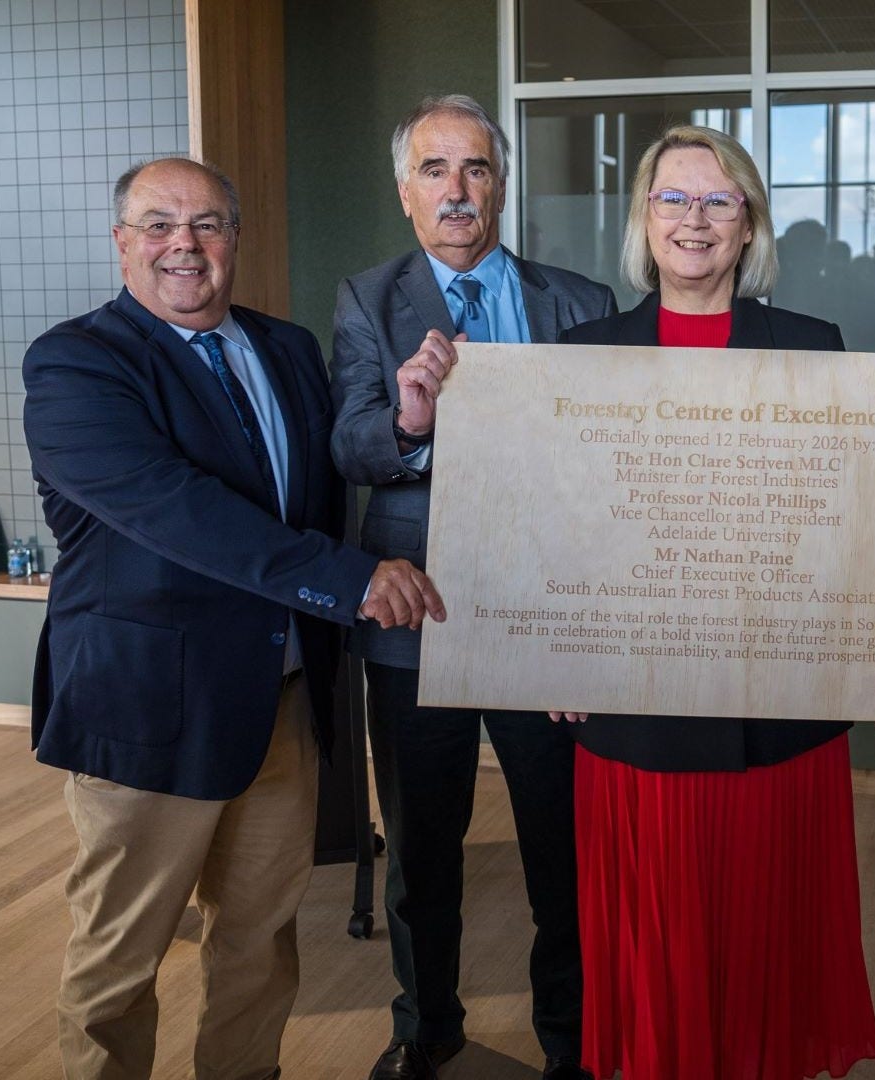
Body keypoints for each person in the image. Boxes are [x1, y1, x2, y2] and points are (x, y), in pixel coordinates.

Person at [24, 156, 444, 1080]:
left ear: (236, 238)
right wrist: (354, 578)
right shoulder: (76, 363)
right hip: (146, 713)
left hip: (282, 703)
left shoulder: (288, 348)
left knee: (259, 945)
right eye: (160, 224)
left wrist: (408, 425)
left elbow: (333, 478)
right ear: (122, 241)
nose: (186, 244)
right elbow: (181, 512)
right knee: (119, 961)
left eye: (208, 223)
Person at [554, 124, 875, 1080]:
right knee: (663, 941)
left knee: (769, 926)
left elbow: (850, 524)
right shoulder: (583, 353)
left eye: (717, 201)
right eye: (672, 199)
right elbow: (559, 528)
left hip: (779, 713)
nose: (693, 221)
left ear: (749, 227)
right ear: (643, 222)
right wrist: (554, 652)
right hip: (634, 710)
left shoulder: (814, 348)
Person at [326, 94, 615, 1080]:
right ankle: (426, 1027)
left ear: (501, 184)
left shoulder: (578, 299)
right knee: (421, 848)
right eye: (437, 170)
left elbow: (616, 457)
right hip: (419, 615)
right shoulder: (368, 299)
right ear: (406, 190)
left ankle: (572, 1044)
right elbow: (350, 447)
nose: (458, 189)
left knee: (562, 854)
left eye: (478, 168)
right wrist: (409, 422)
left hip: (552, 618)